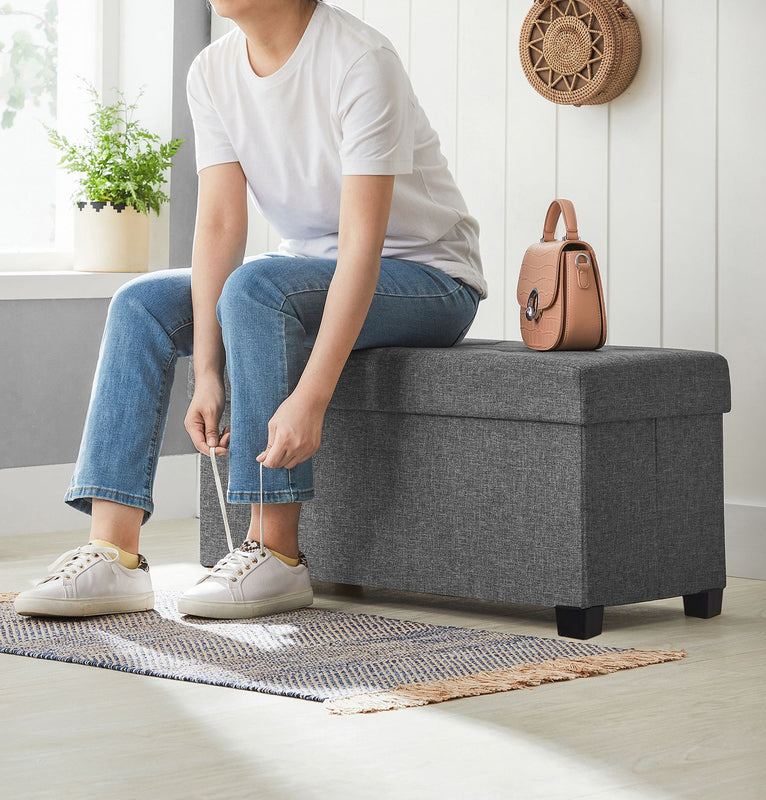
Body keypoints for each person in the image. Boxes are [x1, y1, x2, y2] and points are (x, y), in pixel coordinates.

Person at [14, 0, 486, 620]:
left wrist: (310, 400)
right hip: (306, 275)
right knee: (142, 304)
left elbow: (362, 248)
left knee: (258, 287)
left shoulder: (360, 61)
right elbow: (219, 226)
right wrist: (207, 370)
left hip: (427, 280)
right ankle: (114, 554)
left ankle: (277, 555)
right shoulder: (211, 71)